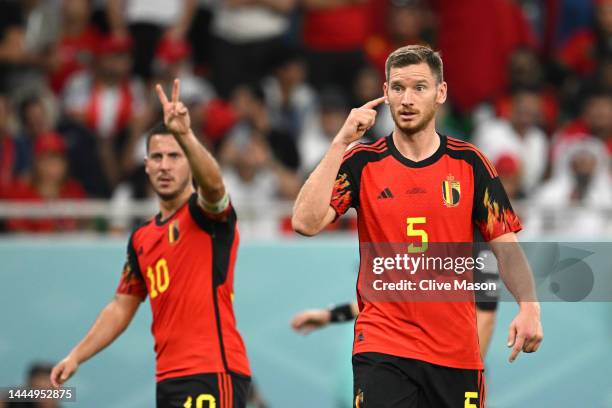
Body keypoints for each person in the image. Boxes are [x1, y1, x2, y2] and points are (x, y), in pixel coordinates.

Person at [291, 45, 543, 407]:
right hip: (383, 348)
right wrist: (340, 142)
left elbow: (506, 247)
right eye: (398, 88)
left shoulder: (470, 164)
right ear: (385, 92)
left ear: (440, 93)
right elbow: (305, 221)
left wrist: (530, 307)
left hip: (455, 354)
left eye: (419, 87)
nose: (407, 99)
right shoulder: (361, 162)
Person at [50, 79, 251, 407]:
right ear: (145, 165)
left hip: (212, 370)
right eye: (156, 157)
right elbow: (121, 306)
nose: (165, 165)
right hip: (168, 378)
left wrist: (186, 134)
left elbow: (214, 189)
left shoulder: (205, 216)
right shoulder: (142, 238)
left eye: (175, 156)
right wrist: (77, 356)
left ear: (189, 162)